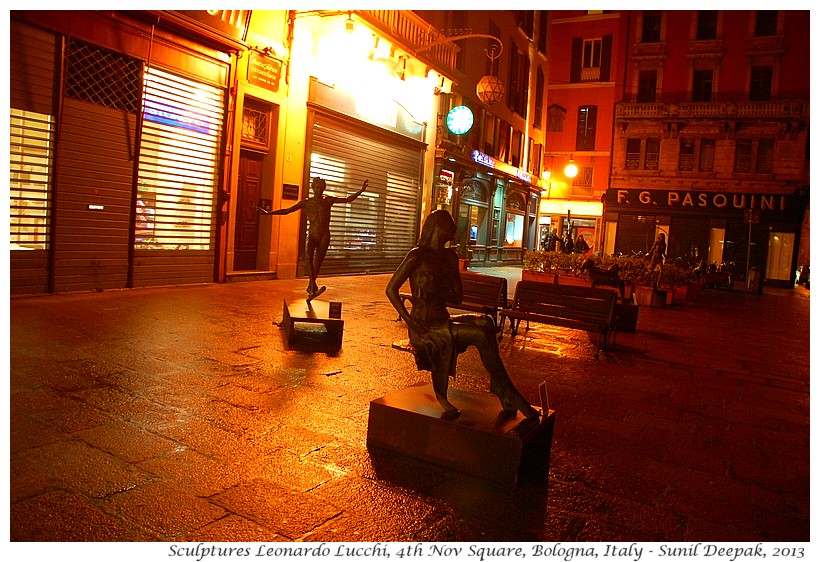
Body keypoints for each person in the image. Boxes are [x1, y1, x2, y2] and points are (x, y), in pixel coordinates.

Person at [385, 210, 540, 420]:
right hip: (424, 326)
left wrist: (445, 278)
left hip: (443, 320)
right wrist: (410, 320)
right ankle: (507, 390)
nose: (455, 228)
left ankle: (499, 384)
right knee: (479, 334)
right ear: (438, 225)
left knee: (485, 323)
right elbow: (391, 289)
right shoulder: (417, 255)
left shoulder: (450, 257)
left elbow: (457, 297)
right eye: (450, 224)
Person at [259, 176, 368, 300]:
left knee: (318, 262)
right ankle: (312, 285)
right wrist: (269, 213)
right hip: (312, 234)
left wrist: (361, 190)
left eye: (320, 188)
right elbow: (287, 211)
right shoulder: (306, 202)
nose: (318, 190)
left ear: (323, 188)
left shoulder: (328, 200)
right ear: (312, 188)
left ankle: (311, 286)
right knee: (308, 257)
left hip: (324, 235)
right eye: (316, 187)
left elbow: (348, 199)